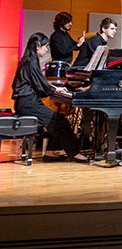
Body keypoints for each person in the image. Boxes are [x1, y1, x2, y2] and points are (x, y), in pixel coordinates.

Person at [12, 33, 86, 162]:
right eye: (45, 46)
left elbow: (39, 83)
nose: (47, 49)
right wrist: (55, 89)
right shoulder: (30, 63)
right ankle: (73, 153)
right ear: (37, 46)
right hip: (28, 103)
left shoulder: (28, 60)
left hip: (26, 101)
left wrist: (54, 89)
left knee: (57, 120)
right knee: (60, 121)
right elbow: (41, 86)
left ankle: (51, 152)